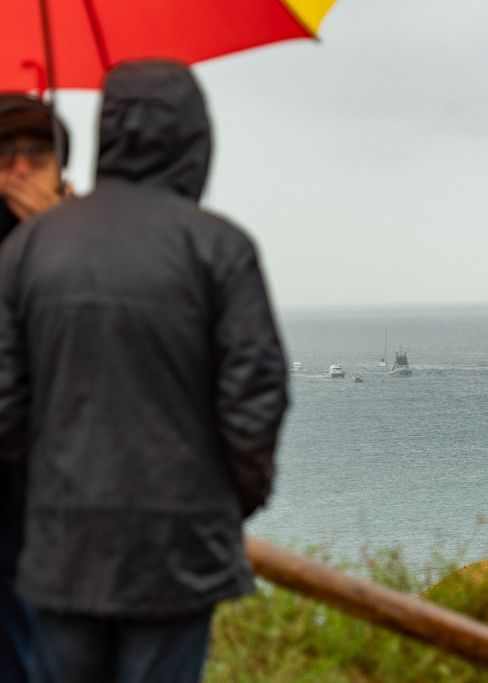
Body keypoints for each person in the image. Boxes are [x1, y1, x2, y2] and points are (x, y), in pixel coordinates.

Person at [0, 60, 288, 683]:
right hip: (178, 553)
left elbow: (6, 406)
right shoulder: (220, 249)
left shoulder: (27, 250)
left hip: (61, 549)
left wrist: (51, 484)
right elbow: (256, 400)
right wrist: (225, 503)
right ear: (195, 138)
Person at [0, 93, 70, 683]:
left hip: (61, 505)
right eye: (4, 154)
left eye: (36, 153)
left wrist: (62, 242)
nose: (19, 168)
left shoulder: (89, 241)